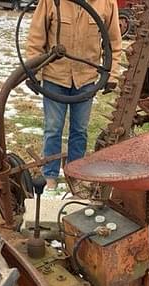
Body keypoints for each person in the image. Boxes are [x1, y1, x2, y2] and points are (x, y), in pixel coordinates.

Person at [26, 0, 122, 190]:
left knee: (80, 130)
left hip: (86, 78)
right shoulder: (51, 2)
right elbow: (36, 39)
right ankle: (50, 177)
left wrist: (112, 74)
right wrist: (33, 72)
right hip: (55, 76)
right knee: (53, 129)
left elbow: (113, 43)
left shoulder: (107, 3)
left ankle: (75, 176)